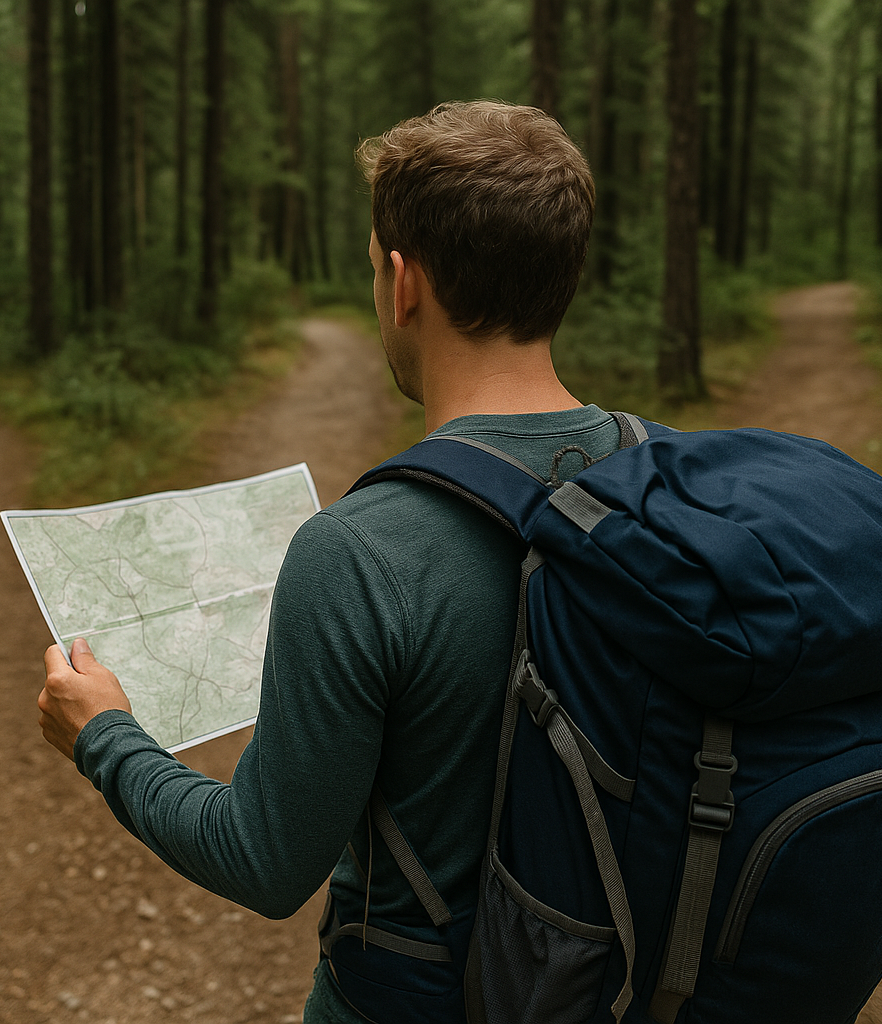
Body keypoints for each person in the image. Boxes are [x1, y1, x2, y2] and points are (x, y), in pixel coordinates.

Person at [37, 99, 615, 1023]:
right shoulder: (662, 481)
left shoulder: (358, 550)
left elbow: (263, 861)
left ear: (403, 282)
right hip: (618, 992)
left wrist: (104, 735)